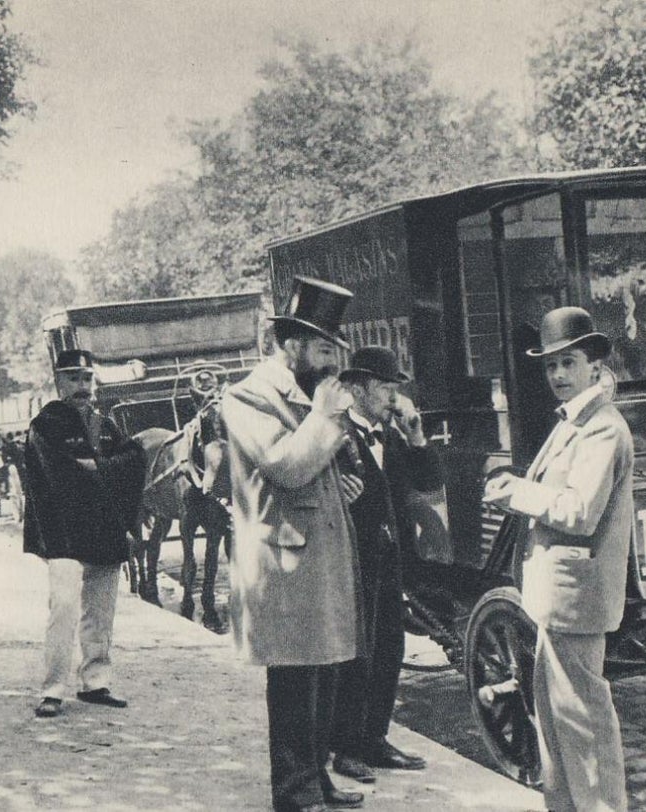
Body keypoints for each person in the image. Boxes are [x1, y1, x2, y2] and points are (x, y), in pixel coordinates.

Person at [222, 276, 365, 812]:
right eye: (324, 348)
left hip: (317, 555)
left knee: (324, 673)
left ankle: (317, 779)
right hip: (282, 561)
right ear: (293, 345)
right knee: (294, 683)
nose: (332, 361)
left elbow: (321, 466)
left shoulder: (308, 394)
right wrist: (325, 416)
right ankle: (293, 793)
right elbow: (287, 466)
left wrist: (343, 484)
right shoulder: (248, 396)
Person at [484, 306, 633, 812]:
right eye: (550, 366)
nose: (558, 376)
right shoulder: (575, 421)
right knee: (556, 723)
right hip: (560, 597)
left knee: (584, 727)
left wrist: (517, 493)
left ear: (594, 365)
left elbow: (580, 511)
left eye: (568, 363)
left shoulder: (601, 428)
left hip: (578, 598)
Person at [330, 346, 441, 784]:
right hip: (352, 559)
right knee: (358, 653)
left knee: (390, 648)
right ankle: (346, 749)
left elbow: (430, 483)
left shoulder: (390, 434)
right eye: (384, 387)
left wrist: (416, 437)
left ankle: (375, 738)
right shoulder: (334, 435)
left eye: (395, 388)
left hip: (390, 560)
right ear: (356, 388)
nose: (392, 397)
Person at [22, 349, 147, 719]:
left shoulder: (105, 424)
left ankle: (96, 682)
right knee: (62, 609)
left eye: (87, 378)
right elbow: (60, 476)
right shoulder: (45, 425)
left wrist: (99, 468)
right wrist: (110, 470)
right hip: (61, 533)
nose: (83, 386)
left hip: (103, 531)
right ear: (59, 382)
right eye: (74, 378)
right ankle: (53, 689)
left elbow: (136, 460)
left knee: (101, 611)